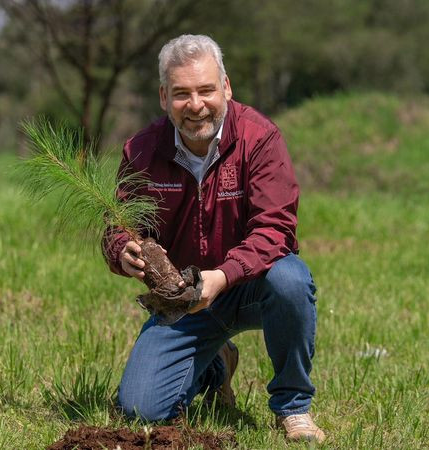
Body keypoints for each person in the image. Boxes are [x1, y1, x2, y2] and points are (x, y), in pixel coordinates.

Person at [102, 34, 325, 443]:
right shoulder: (141, 150)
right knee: (141, 412)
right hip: (185, 300)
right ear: (163, 95)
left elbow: (276, 229)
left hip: (253, 286)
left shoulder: (260, 139)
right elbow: (119, 223)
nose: (196, 104)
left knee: (291, 280)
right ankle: (215, 368)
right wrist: (123, 250)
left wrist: (223, 276)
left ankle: (292, 406)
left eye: (206, 89)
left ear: (226, 86)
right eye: (182, 93)